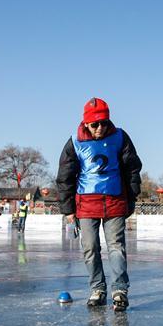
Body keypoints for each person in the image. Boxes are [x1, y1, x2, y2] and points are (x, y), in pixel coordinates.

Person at [57, 98, 142, 311]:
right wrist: (68, 211)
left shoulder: (120, 137)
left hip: (114, 201)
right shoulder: (75, 142)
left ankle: (119, 290)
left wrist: (131, 197)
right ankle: (97, 288)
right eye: (95, 124)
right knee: (90, 248)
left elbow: (132, 168)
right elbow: (65, 178)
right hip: (85, 204)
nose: (100, 128)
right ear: (85, 123)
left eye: (104, 122)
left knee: (117, 247)